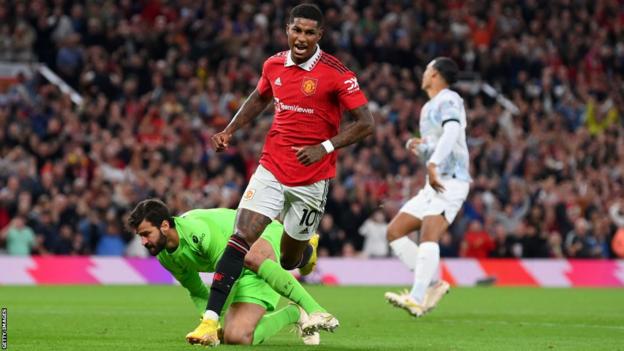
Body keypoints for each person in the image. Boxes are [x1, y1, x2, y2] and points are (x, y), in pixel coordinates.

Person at [193, 3, 374, 345]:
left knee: (291, 258)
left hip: (312, 177)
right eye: (296, 30)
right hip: (272, 166)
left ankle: (309, 250)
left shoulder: (337, 73)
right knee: (240, 237)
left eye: (309, 32)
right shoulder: (274, 64)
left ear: (319, 35)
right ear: (287, 29)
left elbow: (366, 124)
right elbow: (259, 97)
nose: (301, 38)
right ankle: (209, 321)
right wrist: (231, 130)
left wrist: (325, 147)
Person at [126, 198, 327, 346]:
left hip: (262, 240)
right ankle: (293, 313)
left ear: (164, 226)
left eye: (146, 234)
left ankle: (304, 254)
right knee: (235, 337)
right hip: (238, 268)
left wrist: (212, 320)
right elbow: (196, 290)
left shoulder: (197, 232)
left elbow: (229, 269)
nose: (143, 242)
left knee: (259, 261)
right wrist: (210, 321)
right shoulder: (164, 256)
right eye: (140, 236)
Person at [384, 57, 471, 317]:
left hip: (451, 180)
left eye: (426, 70)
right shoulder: (428, 108)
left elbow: (452, 132)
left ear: (434, 74)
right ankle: (433, 285)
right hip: (432, 184)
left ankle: (417, 296)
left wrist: (432, 163)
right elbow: (436, 146)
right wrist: (419, 147)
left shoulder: (449, 99)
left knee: (429, 234)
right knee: (395, 232)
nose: (423, 74)